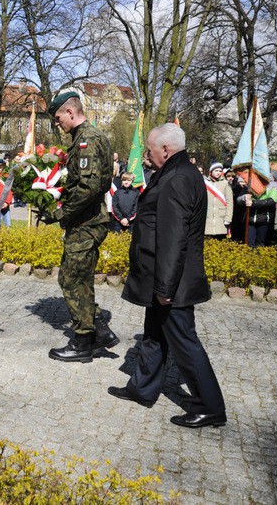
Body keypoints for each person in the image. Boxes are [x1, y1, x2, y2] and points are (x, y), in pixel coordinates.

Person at [108, 123, 226, 429]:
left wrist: (164, 287)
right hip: (165, 278)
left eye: (149, 149)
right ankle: (142, 388)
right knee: (154, 335)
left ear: (165, 149)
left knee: (185, 343)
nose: (146, 156)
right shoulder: (178, 173)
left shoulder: (177, 179)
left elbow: (173, 239)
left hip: (172, 281)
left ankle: (210, 406)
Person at [46, 91, 118, 363]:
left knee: (71, 278)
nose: (57, 123)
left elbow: (88, 188)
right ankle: (99, 332)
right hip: (85, 221)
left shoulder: (87, 140)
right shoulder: (83, 139)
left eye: (58, 117)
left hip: (87, 222)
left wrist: (60, 212)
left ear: (70, 112)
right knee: (78, 278)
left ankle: (83, 342)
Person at [236, 178, 277, 247]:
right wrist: (244, 197)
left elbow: (271, 201)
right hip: (250, 218)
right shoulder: (249, 184)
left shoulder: (273, 185)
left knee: (260, 243)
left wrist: (253, 203)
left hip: (264, 219)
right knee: (249, 244)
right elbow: (238, 200)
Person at [204, 162, 233, 240]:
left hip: (221, 218)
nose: (218, 173)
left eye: (220, 171)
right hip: (208, 218)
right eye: (216, 170)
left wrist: (228, 218)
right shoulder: (205, 183)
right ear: (211, 171)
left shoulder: (226, 183)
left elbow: (230, 202)